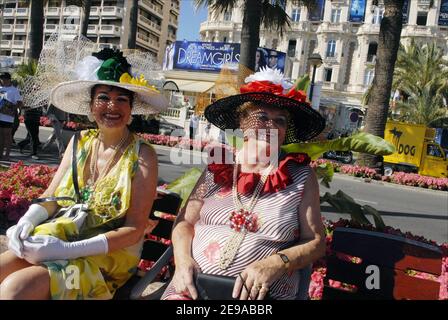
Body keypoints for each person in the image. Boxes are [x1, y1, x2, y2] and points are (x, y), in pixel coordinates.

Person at [0, 46, 168, 300]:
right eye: (103, 97)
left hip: (106, 262)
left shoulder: (142, 155)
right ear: (90, 106)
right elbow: (51, 196)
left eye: (122, 99)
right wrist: (26, 222)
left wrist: (68, 249)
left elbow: (134, 229)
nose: (112, 106)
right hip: (58, 239)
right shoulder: (79, 142)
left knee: (16, 289)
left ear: (131, 110)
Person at [162, 67, 326, 300]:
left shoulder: (301, 177)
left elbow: (316, 242)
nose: (271, 126)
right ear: (242, 121)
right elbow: (184, 223)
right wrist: (182, 261)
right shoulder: (217, 168)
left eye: (280, 121)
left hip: (261, 296)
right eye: (262, 117)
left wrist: (276, 263)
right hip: (193, 289)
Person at [0, 72, 23, 161]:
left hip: (7, 117)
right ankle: (0, 154)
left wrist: (10, 107)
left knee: (7, 136)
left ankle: (7, 155)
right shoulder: (0, 88)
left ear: (9, 79)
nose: (3, 80)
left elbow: (20, 103)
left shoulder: (14, 90)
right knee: (1, 136)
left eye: (5, 78)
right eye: (2, 78)